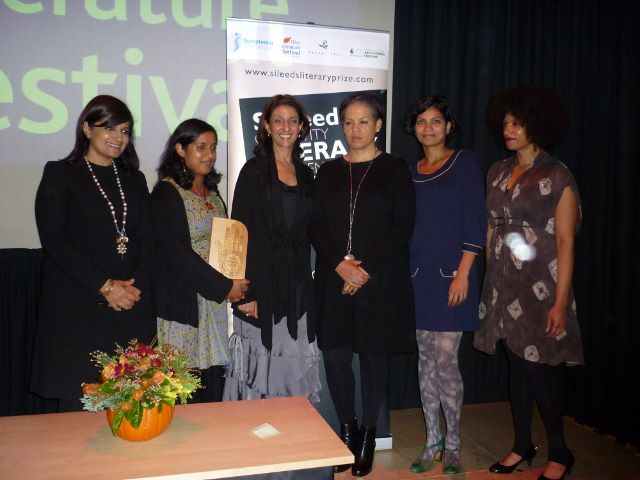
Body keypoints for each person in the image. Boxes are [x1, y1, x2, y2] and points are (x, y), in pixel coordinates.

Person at [473, 86, 583, 480]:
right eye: (505, 123)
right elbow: (489, 229)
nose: (509, 129)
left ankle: (560, 451)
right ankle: (522, 444)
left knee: (541, 371)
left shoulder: (557, 174)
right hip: (502, 286)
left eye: (517, 123)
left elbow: (567, 241)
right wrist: (490, 279)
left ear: (536, 124)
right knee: (515, 369)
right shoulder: (497, 171)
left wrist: (560, 301)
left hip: (541, 288)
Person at [310, 92, 416, 477]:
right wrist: (341, 265)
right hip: (334, 278)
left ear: (378, 125)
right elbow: (316, 224)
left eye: (364, 121)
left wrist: (363, 269)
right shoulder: (327, 171)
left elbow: (402, 226)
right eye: (349, 122)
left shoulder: (395, 169)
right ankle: (347, 430)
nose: (355, 129)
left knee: (373, 358)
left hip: (378, 282)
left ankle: (369, 434)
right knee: (336, 357)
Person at [30, 95, 156, 411]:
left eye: (125, 131)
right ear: (87, 128)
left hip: (130, 309)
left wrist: (132, 288)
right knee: (80, 416)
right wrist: (106, 286)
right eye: (109, 128)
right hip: (78, 312)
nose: (118, 138)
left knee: (131, 410)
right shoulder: (60, 174)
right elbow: (54, 240)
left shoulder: (134, 179)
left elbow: (148, 239)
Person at [404, 96, 486, 475]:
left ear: (449, 126)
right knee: (425, 361)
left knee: (446, 362)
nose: (429, 128)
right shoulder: (410, 170)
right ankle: (431, 440)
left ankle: (453, 444)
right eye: (422, 121)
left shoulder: (464, 162)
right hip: (418, 278)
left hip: (453, 278)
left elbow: (475, 220)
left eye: (436, 121)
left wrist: (464, 272)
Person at [222, 94, 321, 402]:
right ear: (266, 126)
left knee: (290, 371)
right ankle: (252, 444)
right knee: (256, 370)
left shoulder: (307, 174)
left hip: (297, 289)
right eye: (278, 120)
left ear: (302, 127)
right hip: (259, 287)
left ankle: (287, 439)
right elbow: (236, 234)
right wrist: (244, 295)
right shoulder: (253, 171)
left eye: (293, 120)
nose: (285, 126)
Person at [151, 119, 249, 402]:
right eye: (201, 147)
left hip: (213, 303)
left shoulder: (212, 191)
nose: (209, 155)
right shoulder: (166, 193)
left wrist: (236, 281)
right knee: (183, 387)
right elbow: (177, 254)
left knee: (212, 384)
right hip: (185, 304)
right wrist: (224, 287)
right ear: (180, 150)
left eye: (213, 147)